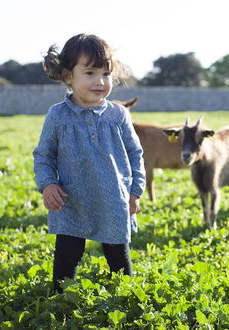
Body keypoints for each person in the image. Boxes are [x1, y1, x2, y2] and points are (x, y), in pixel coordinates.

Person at [33, 33, 145, 293]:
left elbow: (135, 153)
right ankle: (60, 300)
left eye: (106, 74)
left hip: (114, 201)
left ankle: (125, 297)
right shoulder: (58, 115)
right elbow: (44, 156)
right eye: (90, 73)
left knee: (118, 258)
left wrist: (135, 191)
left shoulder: (118, 114)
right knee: (66, 259)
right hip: (71, 201)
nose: (100, 81)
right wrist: (48, 184)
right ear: (68, 76)